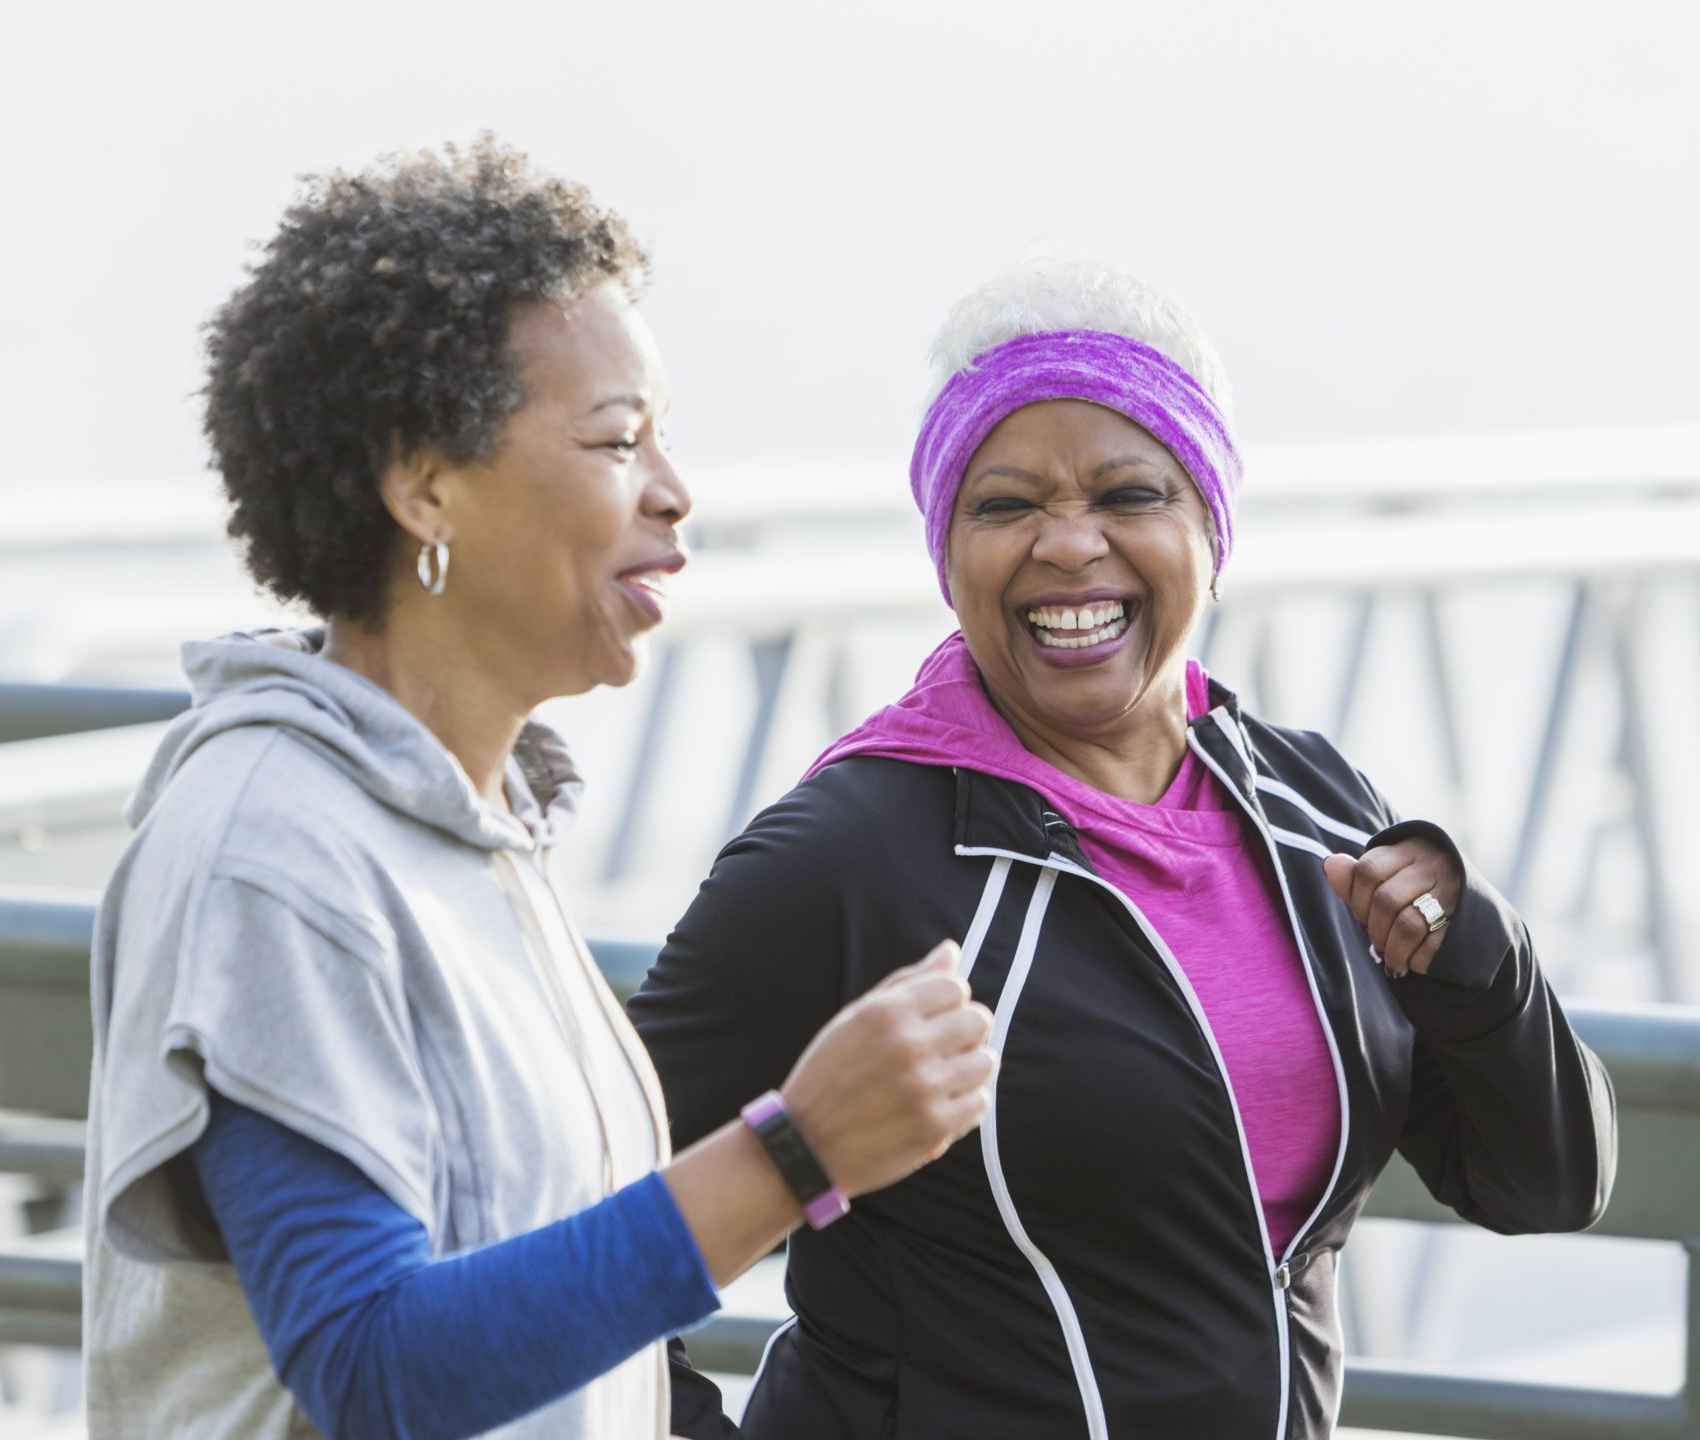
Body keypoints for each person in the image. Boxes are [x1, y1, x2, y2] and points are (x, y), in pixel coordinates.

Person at [82, 138, 996, 1439]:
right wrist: (797, 1154)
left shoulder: (478, 823)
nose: (676, 497)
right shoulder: (274, 851)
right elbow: (370, 1363)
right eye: (619, 441)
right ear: (426, 483)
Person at [629, 255, 1618, 1438]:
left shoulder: (1308, 805)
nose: (1066, 545)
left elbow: (1544, 1182)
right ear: (948, 556)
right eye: (1004, 505)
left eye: (1128, 494)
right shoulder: (846, 854)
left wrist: (1478, 961)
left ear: (1210, 527)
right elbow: (574, 1222)